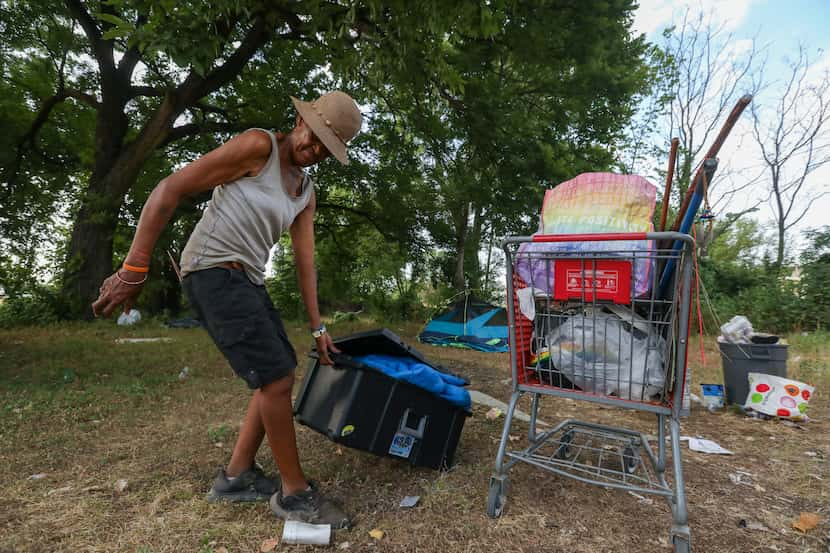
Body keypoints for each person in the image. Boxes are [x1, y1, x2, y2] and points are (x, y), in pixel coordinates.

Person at [91, 91, 363, 529]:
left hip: (247, 279)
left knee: (280, 369)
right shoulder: (259, 147)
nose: (313, 152)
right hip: (211, 270)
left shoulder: (306, 192)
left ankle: (236, 477)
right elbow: (170, 189)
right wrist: (134, 267)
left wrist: (318, 328)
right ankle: (294, 494)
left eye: (325, 152)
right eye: (312, 139)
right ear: (299, 119)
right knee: (276, 378)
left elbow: (306, 264)